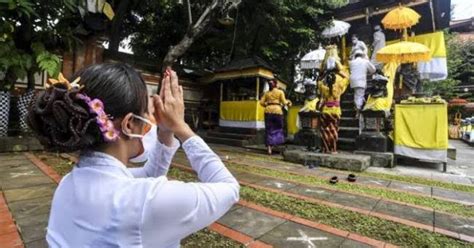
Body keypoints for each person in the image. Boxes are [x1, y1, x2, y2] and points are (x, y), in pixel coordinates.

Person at [28, 63, 240, 247]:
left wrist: (166, 132)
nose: (153, 119)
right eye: (148, 113)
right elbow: (230, 189)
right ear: (129, 124)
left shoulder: (69, 183)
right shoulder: (144, 202)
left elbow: (149, 176)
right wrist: (182, 127)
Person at [319, 45, 349, 154]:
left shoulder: (322, 86)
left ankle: (325, 149)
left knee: (324, 130)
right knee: (334, 129)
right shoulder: (339, 86)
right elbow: (347, 78)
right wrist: (338, 69)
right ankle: (334, 149)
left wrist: (324, 73)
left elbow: (319, 79)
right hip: (336, 109)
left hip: (325, 109)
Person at [259, 79, 291, 155]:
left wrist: (267, 104)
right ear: (276, 85)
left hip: (268, 111)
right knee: (278, 128)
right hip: (277, 111)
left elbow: (261, 102)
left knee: (269, 129)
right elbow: (284, 102)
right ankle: (276, 144)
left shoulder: (267, 93)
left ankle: (269, 148)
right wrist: (289, 102)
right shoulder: (280, 92)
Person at [349, 50, 376, 117]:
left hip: (353, 81)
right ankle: (358, 111)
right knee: (359, 96)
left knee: (357, 95)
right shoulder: (365, 61)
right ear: (362, 55)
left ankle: (357, 107)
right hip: (361, 81)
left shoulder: (351, 62)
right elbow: (373, 69)